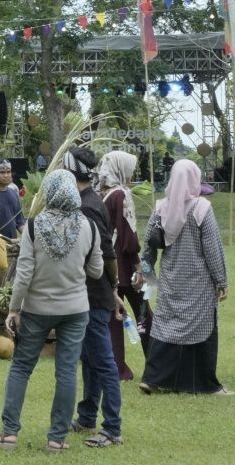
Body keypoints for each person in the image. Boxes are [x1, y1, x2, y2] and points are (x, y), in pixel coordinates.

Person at [0, 170, 103, 453]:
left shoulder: (35, 227)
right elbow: (97, 271)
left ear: (49, 192)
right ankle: (57, 439)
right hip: (75, 309)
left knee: (21, 367)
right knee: (66, 372)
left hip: (37, 309)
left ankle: (9, 433)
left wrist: (14, 309)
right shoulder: (89, 227)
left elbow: (23, 274)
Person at [139, 159, 230, 395]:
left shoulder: (161, 207)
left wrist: (146, 274)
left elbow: (148, 244)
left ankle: (152, 378)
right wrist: (221, 281)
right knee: (203, 329)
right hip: (199, 282)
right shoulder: (201, 208)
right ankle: (205, 384)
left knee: (165, 328)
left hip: (171, 279)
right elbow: (212, 248)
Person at [62, 148, 124, 447]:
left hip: (94, 295)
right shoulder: (88, 201)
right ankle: (87, 416)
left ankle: (112, 428)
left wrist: (113, 286)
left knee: (102, 362)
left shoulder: (86, 207)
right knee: (89, 358)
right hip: (89, 294)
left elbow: (107, 254)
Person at [97, 150, 145, 379]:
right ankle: (158, 360)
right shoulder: (121, 195)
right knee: (144, 313)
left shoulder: (101, 194)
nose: (132, 172)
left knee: (113, 319)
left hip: (106, 262)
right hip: (123, 263)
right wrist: (138, 265)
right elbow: (128, 234)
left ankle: (116, 368)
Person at [0, 160, 23, 239]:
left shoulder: (13, 193)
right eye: (2, 172)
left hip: (12, 244)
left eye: (8, 172)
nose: (6, 175)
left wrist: (28, 238)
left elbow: (19, 222)